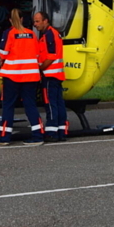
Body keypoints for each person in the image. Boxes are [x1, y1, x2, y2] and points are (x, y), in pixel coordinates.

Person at [0, 8, 45, 146]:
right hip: (31, 76)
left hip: (12, 75)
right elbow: (37, 54)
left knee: (8, 106)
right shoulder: (31, 34)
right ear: (23, 19)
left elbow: (3, 53)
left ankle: (4, 137)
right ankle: (38, 135)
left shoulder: (9, 33)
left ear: (10, 20)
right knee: (30, 105)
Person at [34, 11, 68, 142]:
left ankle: (52, 132)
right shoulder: (51, 34)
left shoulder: (49, 34)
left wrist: (39, 68)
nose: (35, 24)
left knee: (50, 103)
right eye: (35, 21)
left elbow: (51, 56)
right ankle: (61, 131)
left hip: (49, 75)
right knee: (59, 104)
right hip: (56, 75)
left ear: (45, 21)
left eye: (37, 21)